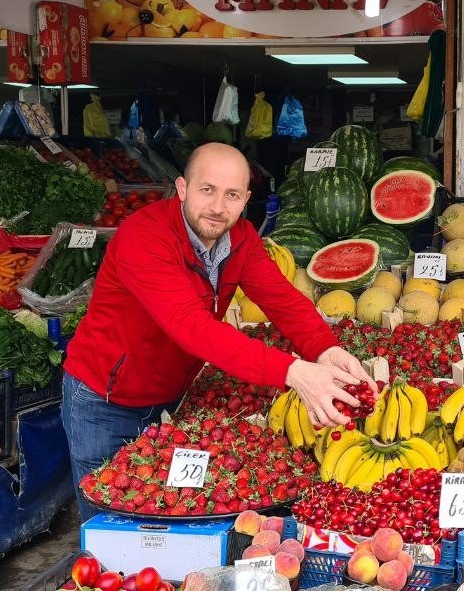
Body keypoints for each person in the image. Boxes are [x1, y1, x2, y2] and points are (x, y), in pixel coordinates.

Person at [61, 142, 375, 520]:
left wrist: (326, 349)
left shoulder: (241, 238)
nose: (217, 207)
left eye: (231, 195)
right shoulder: (143, 238)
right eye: (206, 190)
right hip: (104, 399)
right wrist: (292, 371)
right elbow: (192, 327)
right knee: (109, 527)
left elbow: (283, 301)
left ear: (246, 199)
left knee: (165, 517)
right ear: (182, 189)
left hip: (171, 398)